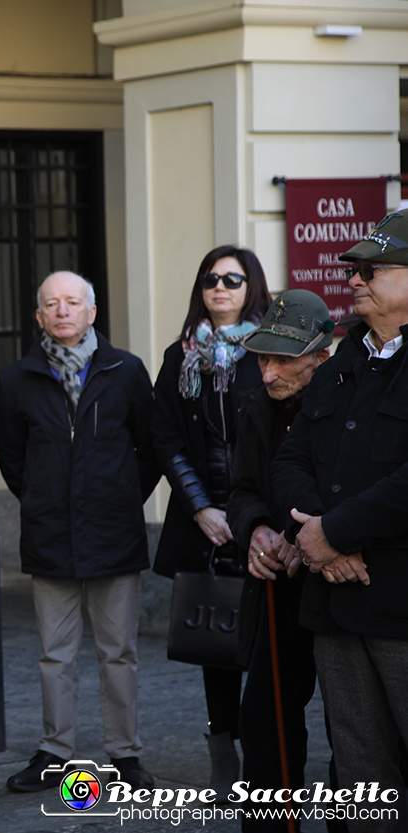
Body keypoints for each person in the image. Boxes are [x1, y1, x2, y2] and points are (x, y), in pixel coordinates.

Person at [0, 271, 159, 793]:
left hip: (115, 533)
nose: (62, 311)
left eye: (72, 302)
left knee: (119, 652)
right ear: (39, 317)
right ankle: (54, 751)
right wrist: (46, 500)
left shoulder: (126, 371)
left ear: (92, 312)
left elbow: (151, 450)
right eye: (51, 304)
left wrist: (116, 497)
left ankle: (125, 755)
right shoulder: (18, 378)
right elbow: (12, 458)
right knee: (55, 654)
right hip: (50, 536)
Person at [274, 211, 408, 829]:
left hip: (399, 603)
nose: (355, 279)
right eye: (354, 268)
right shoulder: (339, 364)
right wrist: (321, 540)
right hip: (333, 602)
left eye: (373, 269)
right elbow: (292, 460)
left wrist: (334, 533)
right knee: (359, 770)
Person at [151, 245, 271, 798]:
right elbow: (166, 436)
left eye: (232, 278)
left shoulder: (271, 350)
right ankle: (224, 755)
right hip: (204, 525)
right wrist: (200, 505)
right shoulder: (180, 357)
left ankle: (267, 749)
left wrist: (252, 515)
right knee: (216, 646)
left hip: (262, 519)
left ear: (252, 287)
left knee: (269, 647)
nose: (219, 287)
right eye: (209, 279)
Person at [226, 289, 335, 831]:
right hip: (277, 589)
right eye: (262, 358)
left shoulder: (346, 403)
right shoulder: (256, 407)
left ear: (321, 354)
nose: (268, 373)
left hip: (342, 588)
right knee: (264, 724)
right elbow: (242, 489)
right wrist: (258, 529)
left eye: (283, 360)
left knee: (356, 732)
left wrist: (309, 534)